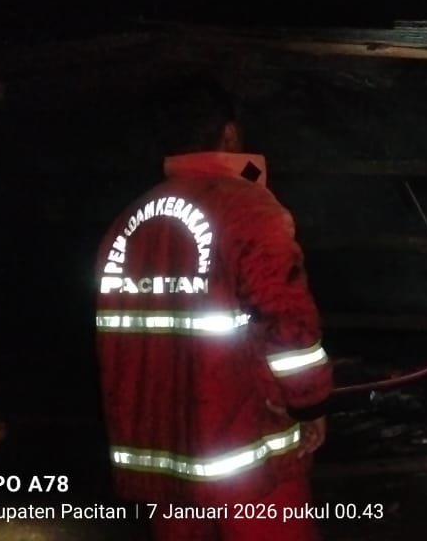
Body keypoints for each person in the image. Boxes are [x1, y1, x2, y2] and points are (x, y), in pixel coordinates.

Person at [95, 78, 332, 541]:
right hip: (247, 453)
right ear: (228, 134)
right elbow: (285, 319)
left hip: (166, 459)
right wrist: (310, 403)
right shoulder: (249, 209)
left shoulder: (128, 221)